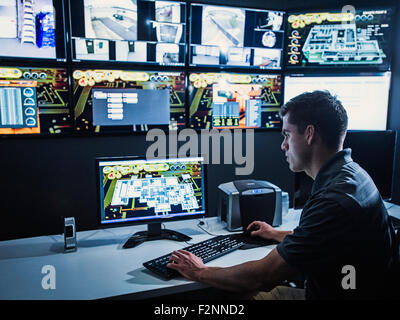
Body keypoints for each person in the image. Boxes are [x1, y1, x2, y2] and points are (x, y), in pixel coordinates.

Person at [167, 90, 400, 300]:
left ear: (309, 134)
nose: (283, 145)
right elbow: (328, 236)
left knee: (229, 295)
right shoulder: (353, 175)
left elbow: (263, 276)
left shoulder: (333, 199)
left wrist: (200, 271)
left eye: (287, 135)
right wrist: (277, 234)